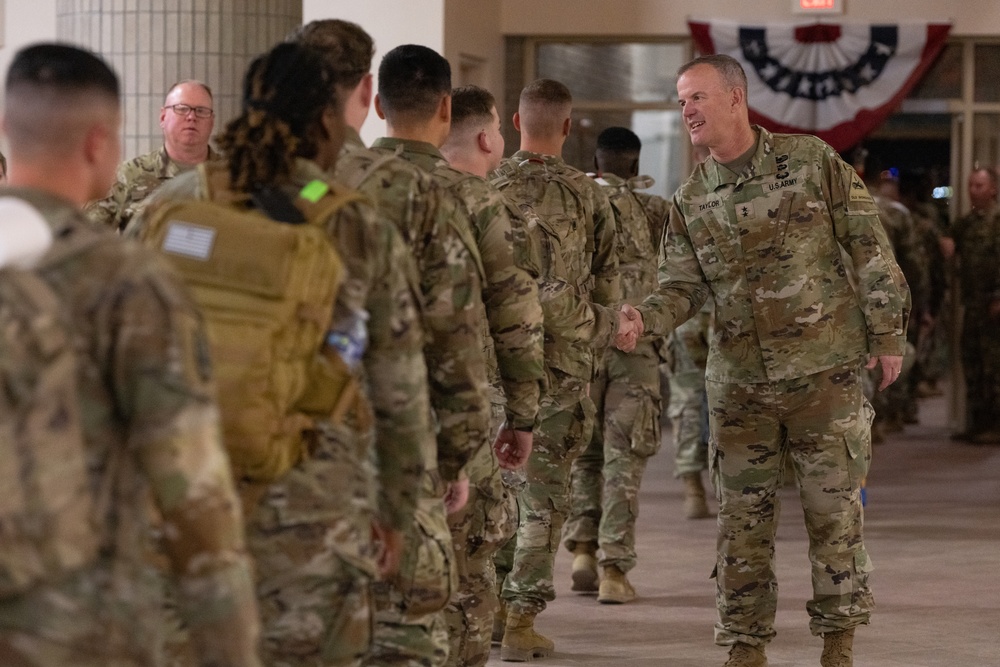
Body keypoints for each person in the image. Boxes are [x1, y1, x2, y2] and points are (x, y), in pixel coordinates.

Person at [127, 42, 432, 666]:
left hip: (184, 509)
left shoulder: (169, 204)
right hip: (316, 517)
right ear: (327, 121)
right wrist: (399, 511)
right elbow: (400, 387)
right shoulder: (356, 224)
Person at [615, 54, 909, 667]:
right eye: (680, 101)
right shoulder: (692, 197)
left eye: (696, 97)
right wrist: (643, 317)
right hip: (740, 386)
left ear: (735, 98)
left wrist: (887, 334)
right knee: (742, 525)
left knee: (833, 516)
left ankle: (838, 643)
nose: (687, 110)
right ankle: (744, 646)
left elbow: (868, 247)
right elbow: (682, 287)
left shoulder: (810, 163)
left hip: (822, 376)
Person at [0, 42, 260, 667]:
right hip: (75, 622)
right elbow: (191, 489)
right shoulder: (129, 283)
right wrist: (231, 645)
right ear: (100, 143)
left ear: (7, 132)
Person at [296, 22, 492, 667]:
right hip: (378, 455)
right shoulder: (410, 192)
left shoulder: (201, 193)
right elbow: (449, 337)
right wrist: (453, 458)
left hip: (248, 471)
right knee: (403, 631)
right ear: (364, 93)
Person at [489, 78, 627, 662]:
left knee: (495, 487)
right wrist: (598, 332)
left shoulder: (484, 187)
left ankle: (490, 607)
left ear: (515, 124)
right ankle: (521, 619)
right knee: (545, 495)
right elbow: (609, 290)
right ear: (569, 129)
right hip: (564, 371)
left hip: (494, 367)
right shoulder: (591, 197)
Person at [438, 83, 546, 667]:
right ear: (486, 137)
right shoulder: (487, 206)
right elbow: (517, 319)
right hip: (464, 409)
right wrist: (524, 418)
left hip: (371, 414)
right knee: (472, 556)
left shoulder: (353, 188)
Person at [563, 126, 666, 604]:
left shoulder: (575, 202)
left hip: (583, 344)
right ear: (635, 163)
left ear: (598, 161)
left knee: (585, 451)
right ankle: (614, 570)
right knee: (624, 459)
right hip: (637, 348)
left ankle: (582, 547)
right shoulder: (655, 209)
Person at [87, 79, 217, 230]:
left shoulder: (231, 175)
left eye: (201, 111)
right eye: (181, 109)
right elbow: (86, 234)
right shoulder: (129, 175)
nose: (191, 117)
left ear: (211, 122)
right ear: (163, 118)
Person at [940, 167, 1000, 443]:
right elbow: (950, 241)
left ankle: (995, 425)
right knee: (973, 363)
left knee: (994, 366)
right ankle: (978, 423)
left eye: (979, 185)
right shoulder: (967, 223)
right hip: (973, 305)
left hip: (994, 305)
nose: (974, 191)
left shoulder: (997, 222)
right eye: (971, 186)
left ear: (993, 189)